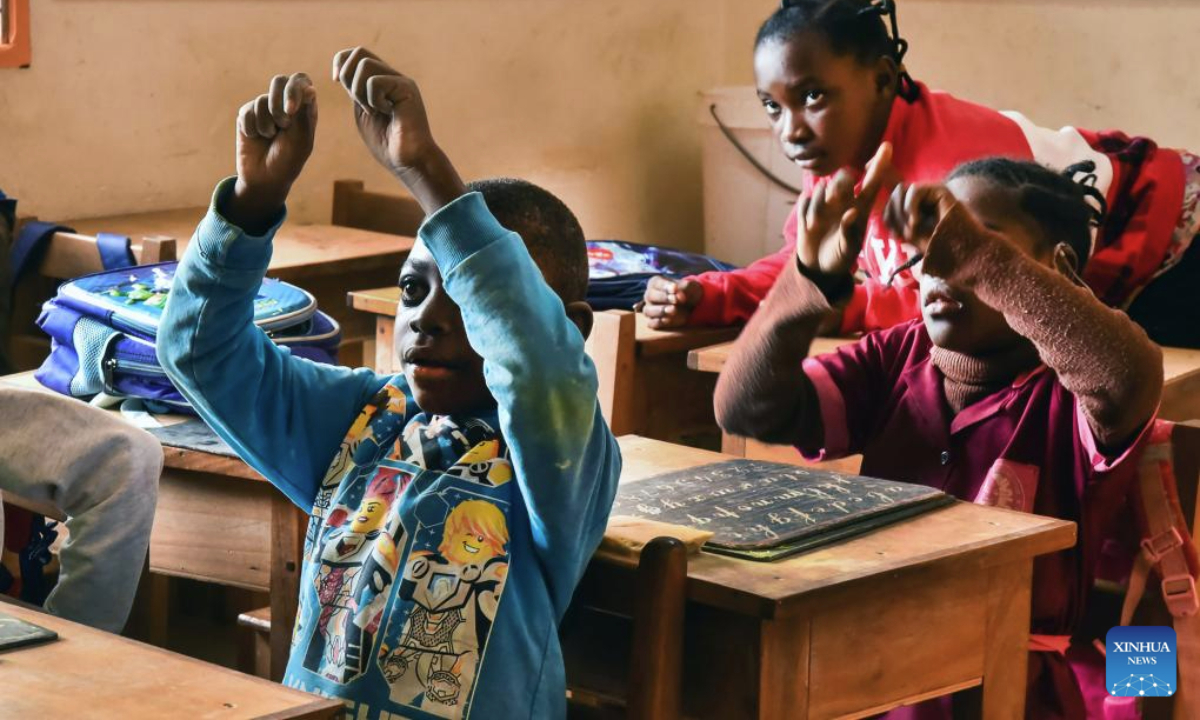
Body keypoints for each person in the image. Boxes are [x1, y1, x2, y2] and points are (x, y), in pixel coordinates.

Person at [157, 49, 620, 719]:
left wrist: (427, 174)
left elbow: (533, 364)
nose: (429, 318)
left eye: (464, 296)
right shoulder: (364, 421)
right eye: (413, 289)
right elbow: (200, 351)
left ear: (571, 327)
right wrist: (252, 205)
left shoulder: (558, 459)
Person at [713, 149, 1162, 717]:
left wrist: (971, 253)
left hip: (1006, 695)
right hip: (872, 679)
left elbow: (1128, 372)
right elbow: (745, 408)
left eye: (968, 244)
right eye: (930, 251)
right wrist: (809, 278)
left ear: (1059, 267)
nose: (939, 268)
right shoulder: (898, 357)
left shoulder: (1074, 394)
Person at [644, 0, 1199, 349]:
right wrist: (713, 295)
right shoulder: (841, 154)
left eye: (813, 96)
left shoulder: (959, 177)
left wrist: (846, 307)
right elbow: (808, 268)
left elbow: (989, 300)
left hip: (1172, 241)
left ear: (884, 80)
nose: (790, 129)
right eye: (772, 105)